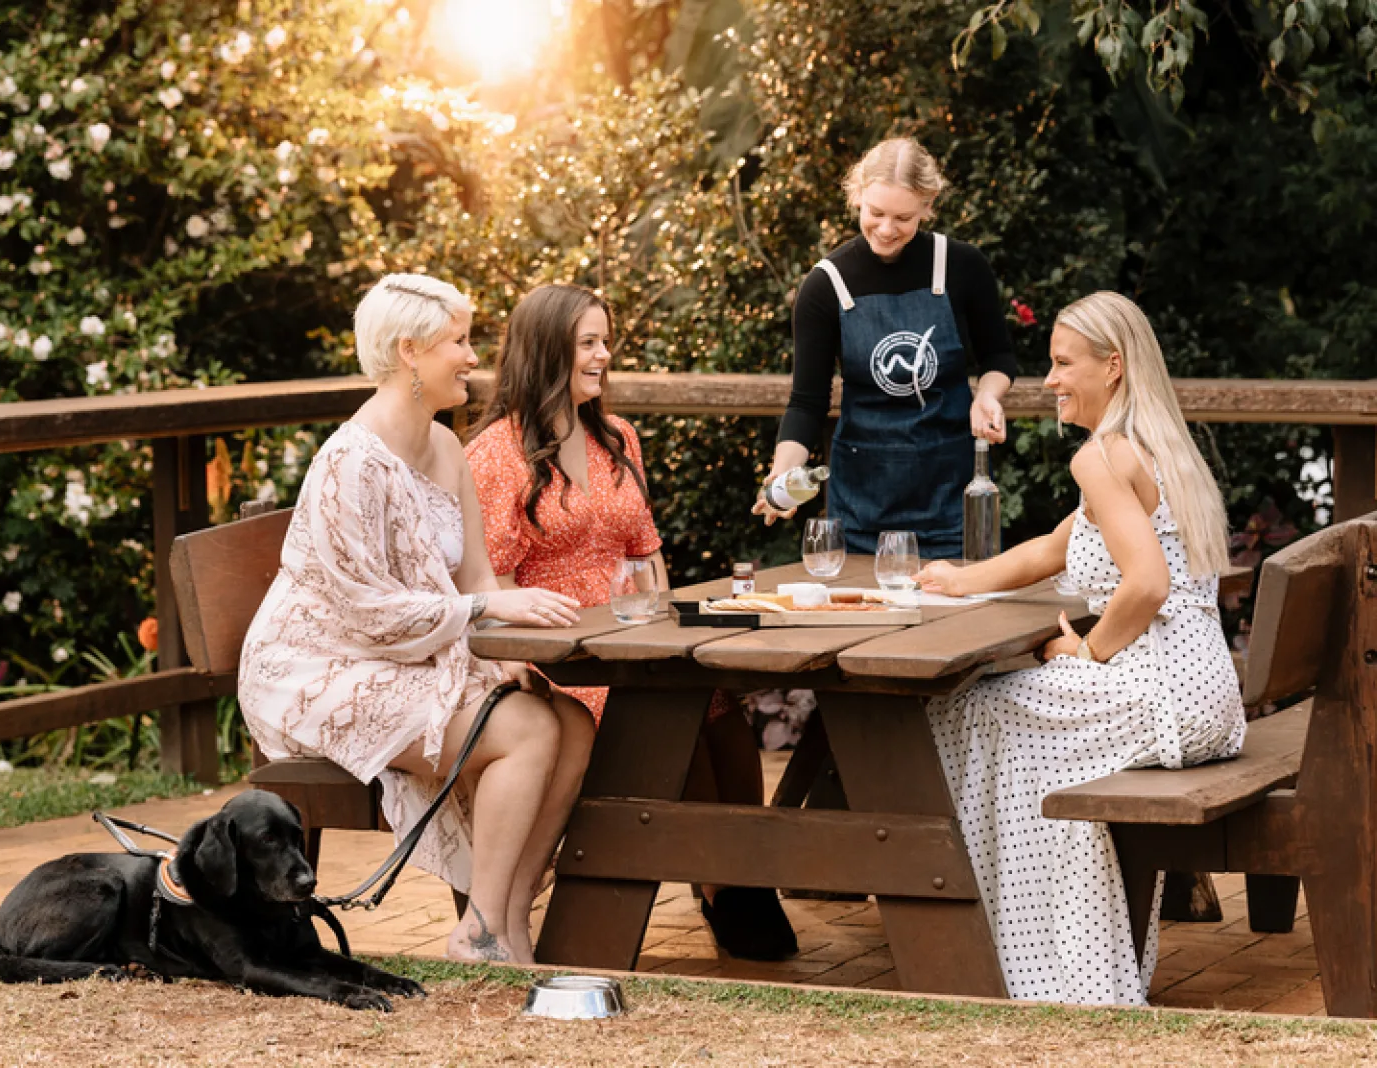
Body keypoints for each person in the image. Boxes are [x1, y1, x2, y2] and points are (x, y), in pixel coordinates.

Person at [237, 273, 596, 966]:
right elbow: (366, 612)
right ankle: (480, 931)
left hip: (403, 652)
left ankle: (508, 921)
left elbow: (477, 578)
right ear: (409, 351)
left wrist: (503, 649)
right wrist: (488, 611)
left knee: (571, 721)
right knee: (522, 730)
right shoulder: (349, 461)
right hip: (317, 667)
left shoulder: (445, 446)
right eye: (458, 341)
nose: (472, 357)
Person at [912, 291, 1246, 1005]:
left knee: (964, 710)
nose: (1052, 380)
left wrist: (1089, 653)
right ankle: (1060, 954)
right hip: (1207, 701)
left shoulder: (1102, 456)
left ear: (1113, 366)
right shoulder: (1155, 447)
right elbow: (1052, 549)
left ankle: (1008, 952)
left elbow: (1147, 584)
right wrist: (958, 580)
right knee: (1015, 727)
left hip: (1158, 698)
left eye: (1064, 364)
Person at [466, 283, 797, 961]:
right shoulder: (495, 454)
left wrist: (671, 644)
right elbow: (493, 584)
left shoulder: (619, 438)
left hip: (632, 629)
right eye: (588, 343)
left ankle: (740, 870)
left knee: (714, 702)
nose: (603, 356)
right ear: (546, 350)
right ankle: (718, 879)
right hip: (558, 651)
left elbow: (648, 556)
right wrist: (518, 667)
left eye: (604, 342)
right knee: (664, 721)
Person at [753, 136, 1019, 560]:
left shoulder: (962, 266)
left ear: (928, 205)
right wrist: (783, 472)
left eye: (903, 217)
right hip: (860, 510)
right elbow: (807, 402)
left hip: (952, 504)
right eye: (876, 213)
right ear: (857, 196)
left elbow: (999, 358)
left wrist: (988, 395)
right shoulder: (825, 285)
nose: (886, 229)